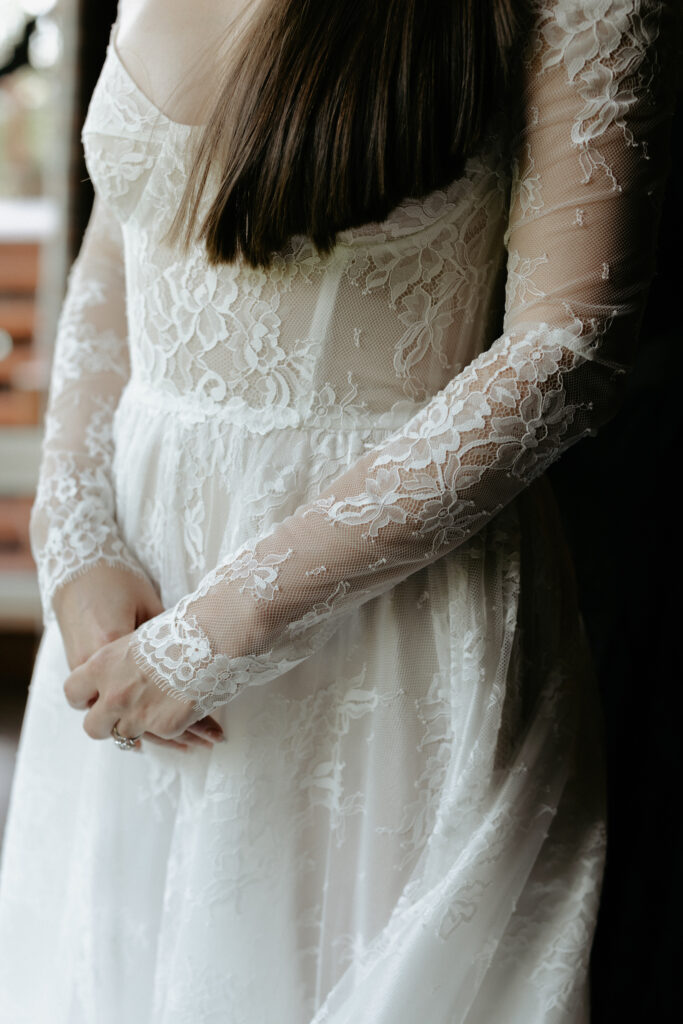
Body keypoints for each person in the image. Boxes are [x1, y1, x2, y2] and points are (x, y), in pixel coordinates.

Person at [0, 0, 676, 1020]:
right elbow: (119, 241)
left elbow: (564, 349)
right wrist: (77, 539)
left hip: (381, 629)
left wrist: (226, 629)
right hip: (129, 619)